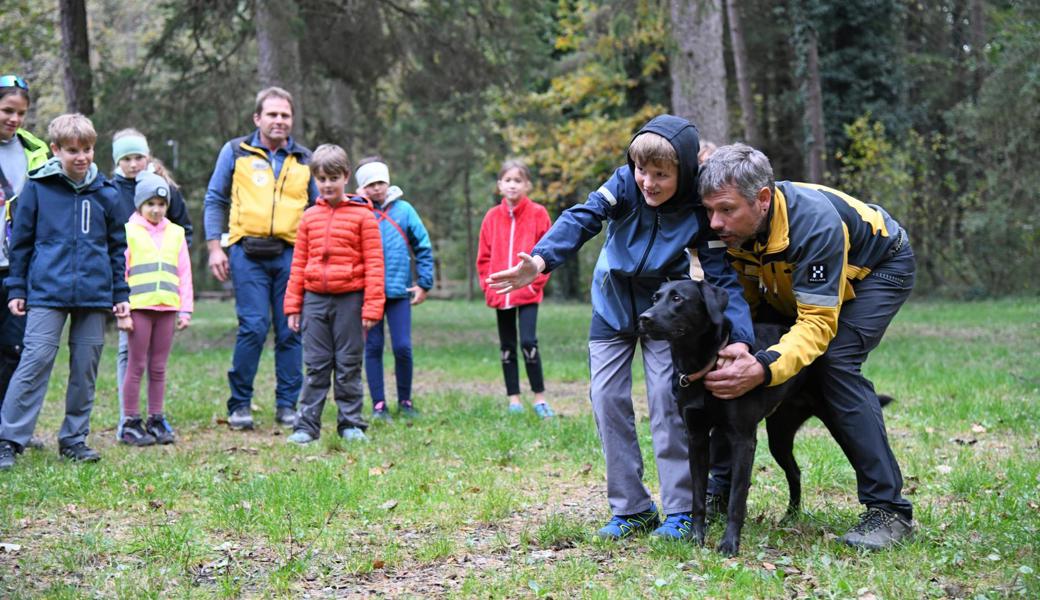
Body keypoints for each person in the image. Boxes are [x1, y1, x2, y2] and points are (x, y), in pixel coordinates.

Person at [487, 115, 754, 541]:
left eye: (661, 174)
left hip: (665, 314)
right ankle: (631, 510)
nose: (648, 182)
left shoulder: (697, 204)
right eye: (641, 169)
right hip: (611, 306)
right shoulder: (622, 184)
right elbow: (582, 218)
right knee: (607, 399)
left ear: (683, 171)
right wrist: (539, 260)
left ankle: (681, 511)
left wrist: (741, 339)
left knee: (669, 403)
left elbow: (721, 277)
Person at [698, 143, 916, 550]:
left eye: (726, 210)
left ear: (762, 200)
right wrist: (743, 347)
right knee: (733, 357)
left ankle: (889, 511)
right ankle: (719, 491)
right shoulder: (730, 229)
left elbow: (815, 323)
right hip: (790, 284)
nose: (714, 222)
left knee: (834, 362)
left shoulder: (814, 224)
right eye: (709, 210)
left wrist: (764, 367)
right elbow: (739, 304)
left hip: (877, 270)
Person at [0, 113, 130, 469]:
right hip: (45, 291)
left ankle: (74, 438)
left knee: (85, 366)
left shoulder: (106, 193)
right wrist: (17, 287)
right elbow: (22, 244)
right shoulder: (38, 188)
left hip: (94, 293)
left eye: (87, 149)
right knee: (36, 359)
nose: (81, 157)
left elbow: (118, 247)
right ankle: (8, 438)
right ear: (55, 149)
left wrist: (120, 294)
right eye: (72, 150)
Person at [203, 87, 317, 431]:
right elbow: (215, 198)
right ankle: (239, 405)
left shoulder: (305, 159)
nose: (279, 120)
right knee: (253, 327)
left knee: (290, 330)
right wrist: (214, 247)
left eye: (285, 115)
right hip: (245, 252)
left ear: (292, 120)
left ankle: (287, 405)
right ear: (258, 118)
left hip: (292, 255)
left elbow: (317, 208)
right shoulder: (235, 151)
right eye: (272, 114)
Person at [284, 144, 385, 444]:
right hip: (314, 300)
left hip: (350, 301)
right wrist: (293, 306)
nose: (327, 184)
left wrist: (372, 308)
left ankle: (351, 424)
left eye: (333, 178)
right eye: (321, 179)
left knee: (348, 364)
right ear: (314, 179)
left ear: (346, 177)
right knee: (315, 365)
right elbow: (298, 263)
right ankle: (306, 426)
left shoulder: (363, 217)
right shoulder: (309, 218)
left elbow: (375, 265)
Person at [109, 128, 193, 440]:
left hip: (167, 306)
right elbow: (122, 265)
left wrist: (185, 307)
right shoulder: (129, 226)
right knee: (134, 363)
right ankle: (129, 421)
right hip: (137, 306)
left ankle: (156, 418)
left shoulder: (175, 231)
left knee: (158, 366)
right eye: (150, 204)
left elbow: (184, 271)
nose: (157, 209)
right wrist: (122, 308)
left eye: (162, 204)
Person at [356, 158, 434, 422]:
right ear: (361, 187)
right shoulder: (357, 211)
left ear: (388, 182)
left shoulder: (405, 210)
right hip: (369, 292)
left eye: (380, 182)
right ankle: (379, 405)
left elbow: (422, 245)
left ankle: (405, 400)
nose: (376, 188)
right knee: (373, 347)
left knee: (402, 347)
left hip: (399, 290)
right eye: (370, 184)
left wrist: (424, 282)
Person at [476, 159, 554, 417]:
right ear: (500, 185)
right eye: (507, 180)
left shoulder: (538, 214)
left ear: (527, 185)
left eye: (517, 180)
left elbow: (549, 252)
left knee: (529, 341)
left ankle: (540, 399)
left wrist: (535, 284)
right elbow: (484, 257)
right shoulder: (491, 217)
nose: (512, 185)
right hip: (501, 294)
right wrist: (489, 288)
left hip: (528, 293)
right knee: (507, 345)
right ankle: (514, 400)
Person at [0, 75, 48, 451]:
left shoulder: (36, 151)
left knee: (15, 350)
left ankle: (8, 428)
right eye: (7, 111)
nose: (14, 119)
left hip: (19, 267)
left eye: (20, 113)